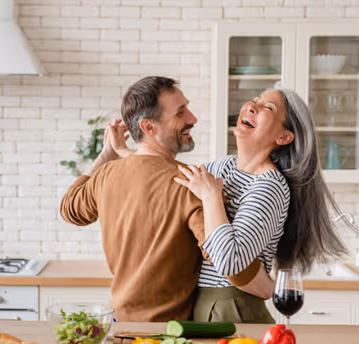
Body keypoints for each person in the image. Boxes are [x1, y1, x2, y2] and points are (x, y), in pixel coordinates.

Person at [59, 77, 260, 322]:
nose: (192, 119)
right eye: (181, 113)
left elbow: (69, 209)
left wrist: (106, 155)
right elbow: (232, 264)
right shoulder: (190, 183)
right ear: (148, 127)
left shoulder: (106, 175)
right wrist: (271, 287)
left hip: (120, 325)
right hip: (168, 335)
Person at [171, 86, 354, 322]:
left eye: (267, 107)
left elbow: (230, 262)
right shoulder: (220, 168)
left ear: (284, 137)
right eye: (255, 100)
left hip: (233, 307)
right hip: (200, 303)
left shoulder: (270, 186)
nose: (250, 106)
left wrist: (211, 197)